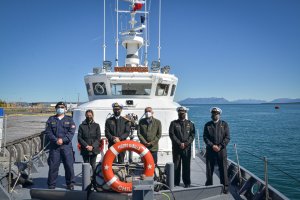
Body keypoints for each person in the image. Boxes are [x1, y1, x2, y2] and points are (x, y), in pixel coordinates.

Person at [45, 102, 76, 190]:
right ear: (56, 108)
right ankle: (51, 185)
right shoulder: (51, 119)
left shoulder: (69, 119)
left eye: (62, 107)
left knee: (69, 166)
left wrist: (63, 140)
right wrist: (56, 140)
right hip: (55, 147)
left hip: (66, 147)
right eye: (58, 107)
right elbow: (48, 132)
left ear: (65, 109)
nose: (60, 108)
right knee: (53, 166)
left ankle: (70, 183)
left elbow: (71, 132)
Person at [203, 107, 230, 194]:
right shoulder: (207, 125)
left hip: (221, 151)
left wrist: (220, 146)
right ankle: (209, 186)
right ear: (211, 114)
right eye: (214, 113)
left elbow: (227, 137)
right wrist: (212, 146)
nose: (215, 115)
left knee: (223, 169)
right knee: (209, 169)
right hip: (210, 150)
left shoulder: (224, 124)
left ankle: (225, 187)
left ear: (219, 115)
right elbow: (205, 137)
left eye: (216, 113)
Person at [169, 106, 195, 188]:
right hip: (177, 148)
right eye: (180, 113)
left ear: (185, 113)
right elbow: (172, 134)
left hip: (186, 149)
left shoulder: (190, 124)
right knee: (176, 165)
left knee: (186, 166)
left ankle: (187, 182)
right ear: (178, 113)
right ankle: (176, 182)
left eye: (183, 113)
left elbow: (192, 135)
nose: (182, 114)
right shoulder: (173, 123)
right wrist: (179, 143)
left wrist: (186, 143)